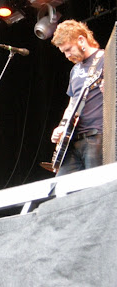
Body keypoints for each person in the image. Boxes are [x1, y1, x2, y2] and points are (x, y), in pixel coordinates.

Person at [50, 20, 104, 176]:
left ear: (81, 40)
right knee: (62, 190)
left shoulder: (105, 59)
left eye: (68, 49)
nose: (67, 56)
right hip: (72, 141)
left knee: (95, 192)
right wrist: (61, 126)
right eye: (64, 52)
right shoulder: (74, 70)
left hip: (96, 136)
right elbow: (72, 103)